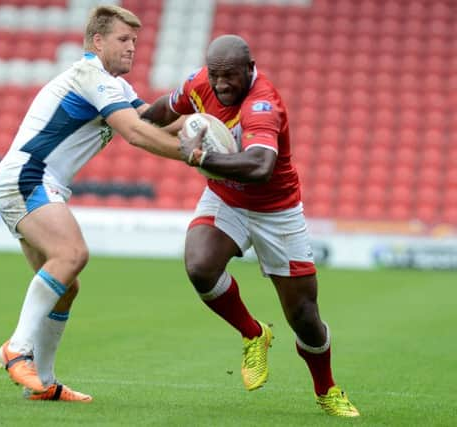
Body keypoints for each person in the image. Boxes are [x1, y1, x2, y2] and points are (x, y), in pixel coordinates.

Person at [0, 5, 203, 402]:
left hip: (32, 180)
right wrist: (194, 155)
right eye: (123, 40)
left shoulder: (114, 87)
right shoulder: (90, 75)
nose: (132, 48)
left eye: (135, 41)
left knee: (66, 287)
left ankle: (46, 383)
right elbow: (137, 135)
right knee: (72, 253)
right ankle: (17, 348)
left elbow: (154, 122)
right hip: (29, 176)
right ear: (98, 41)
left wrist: (206, 121)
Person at [141, 34, 360, 417]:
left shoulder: (263, 103)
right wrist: (124, 122)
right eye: (215, 76)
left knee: (305, 317)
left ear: (250, 68)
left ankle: (327, 389)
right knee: (200, 267)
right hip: (226, 198)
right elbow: (163, 109)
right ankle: (253, 333)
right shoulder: (199, 83)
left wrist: (201, 157)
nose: (221, 84)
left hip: (277, 210)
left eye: (230, 76)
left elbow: (260, 167)